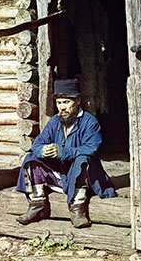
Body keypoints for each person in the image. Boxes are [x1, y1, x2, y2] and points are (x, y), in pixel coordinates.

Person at [16, 78, 116, 229]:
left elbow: (91, 148)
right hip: (60, 174)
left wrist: (62, 152)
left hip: (84, 176)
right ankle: (37, 204)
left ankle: (78, 209)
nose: (62, 107)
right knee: (32, 158)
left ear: (77, 101)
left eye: (66, 102)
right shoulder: (54, 122)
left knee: (82, 159)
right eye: (59, 103)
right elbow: (37, 144)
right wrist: (43, 150)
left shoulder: (90, 122)